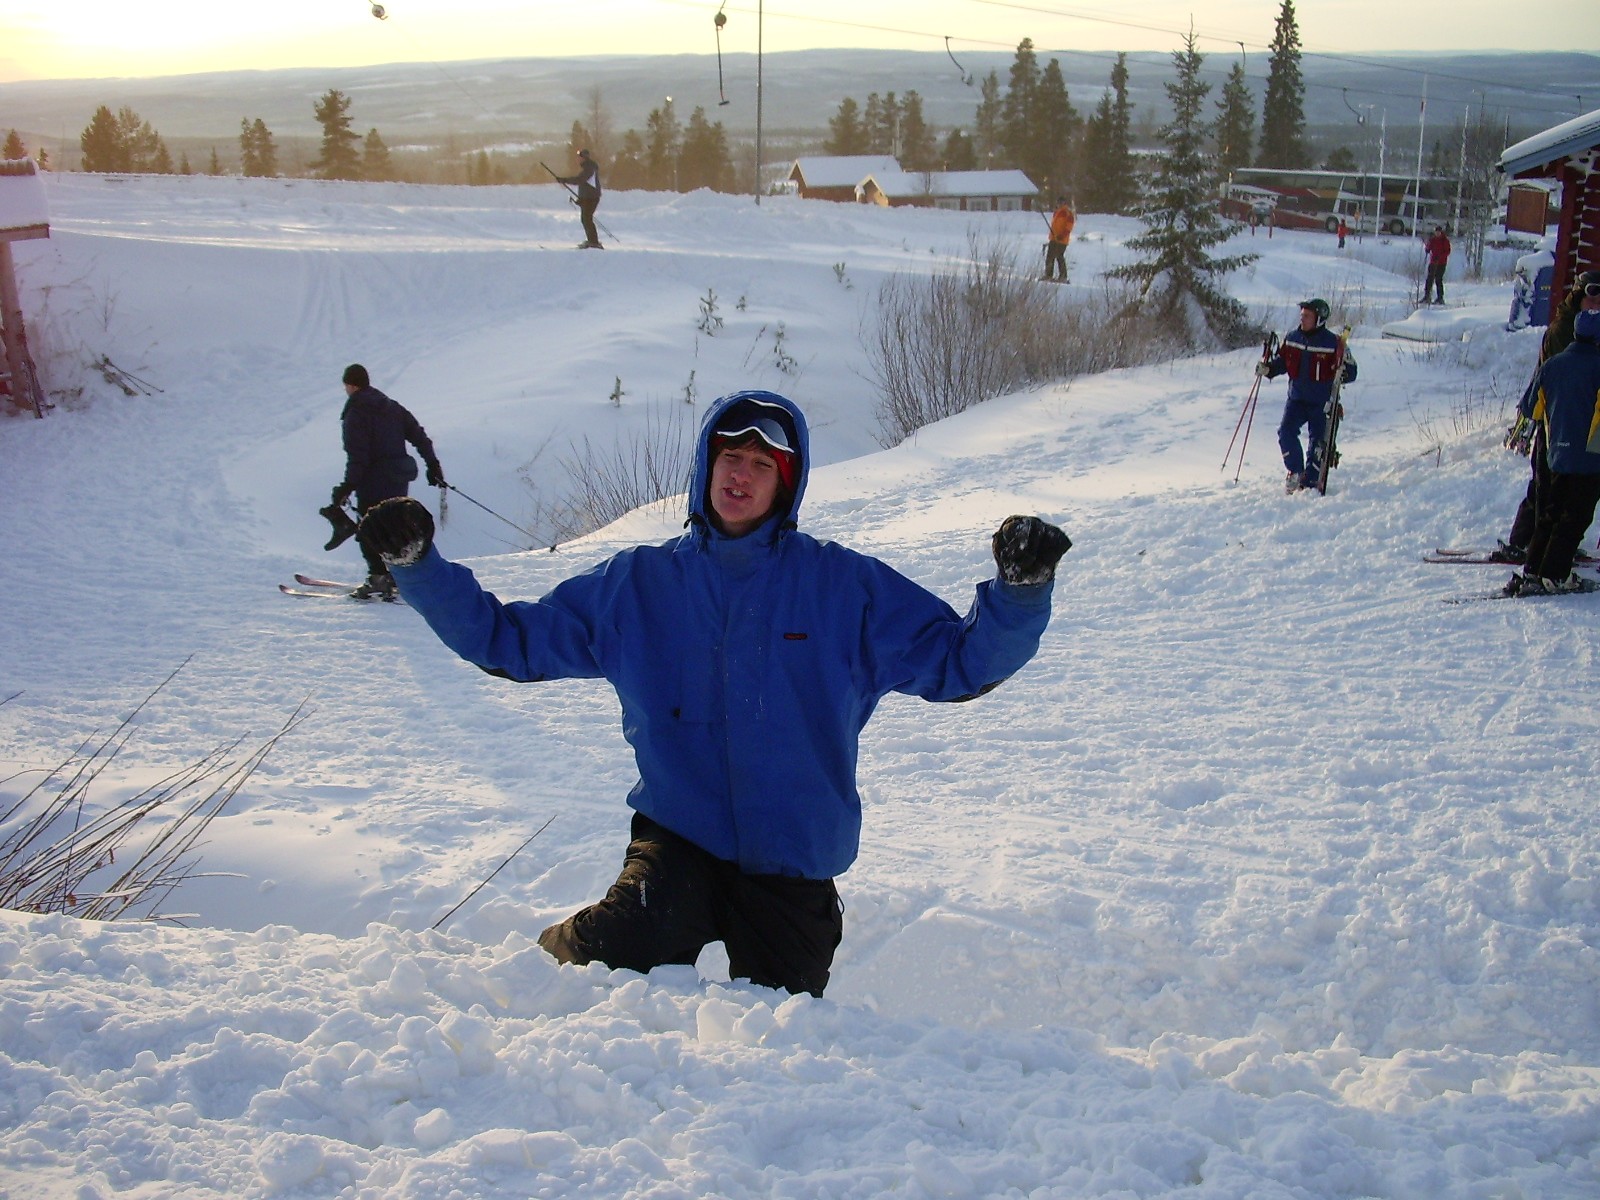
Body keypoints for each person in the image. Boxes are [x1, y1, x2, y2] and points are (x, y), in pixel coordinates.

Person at [355, 390, 1069, 996]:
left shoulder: (841, 587)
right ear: (706, 466)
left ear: (785, 484)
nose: (742, 474)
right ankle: (528, 977)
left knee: (781, 1022)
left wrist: (1020, 594)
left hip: (793, 857)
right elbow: (507, 642)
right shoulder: (638, 585)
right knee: (606, 956)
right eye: (732, 456)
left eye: (763, 464)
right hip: (679, 841)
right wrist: (420, 569)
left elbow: (959, 664)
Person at [1496, 270, 1600, 564]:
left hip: (1579, 423)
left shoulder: (1588, 328)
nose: (1595, 305)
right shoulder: (1565, 330)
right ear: (1578, 297)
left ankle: (1550, 546)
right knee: (1547, 488)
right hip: (1556, 422)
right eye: (1591, 299)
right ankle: (1527, 545)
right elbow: (1559, 379)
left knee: (1561, 491)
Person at [332, 363, 445, 600]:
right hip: (398, 478)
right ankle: (398, 575)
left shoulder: (356, 414)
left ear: (351, 385)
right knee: (395, 526)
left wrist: (347, 486)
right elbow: (419, 436)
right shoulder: (391, 407)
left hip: (373, 480)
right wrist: (432, 465)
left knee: (369, 528)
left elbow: (358, 457)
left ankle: (378, 577)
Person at [1257, 298, 1357, 493]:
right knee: (1285, 433)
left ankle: (1310, 483)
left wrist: (1343, 372)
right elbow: (1283, 362)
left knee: (1318, 445)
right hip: (1297, 400)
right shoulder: (1292, 338)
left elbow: (1352, 372)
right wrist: (1268, 369)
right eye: (1302, 315)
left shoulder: (1334, 343)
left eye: (1307, 316)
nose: (1302, 319)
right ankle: (1295, 472)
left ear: (1319, 319)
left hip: (1322, 403)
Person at [556, 148, 603, 249]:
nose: (577, 159)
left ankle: (594, 242)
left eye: (579, 157)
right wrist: (581, 199)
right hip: (589, 198)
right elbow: (585, 185)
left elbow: (579, 180)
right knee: (586, 219)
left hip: (591, 198)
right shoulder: (588, 167)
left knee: (586, 219)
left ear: (583, 158)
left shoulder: (589, 169)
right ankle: (592, 241)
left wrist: (564, 180)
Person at [1043, 196, 1075, 282]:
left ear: (1064, 203)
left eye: (1061, 202)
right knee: (1050, 257)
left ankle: (1063, 276)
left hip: (1062, 240)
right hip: (1053, 238)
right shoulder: (1057, 212)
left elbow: (1069, 227)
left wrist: (1062, 235)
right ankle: (1048, 275)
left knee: (1059, 256)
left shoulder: (1067, 213)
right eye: (1058, 202)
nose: (1059, 204)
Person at [1423, 225, 1452, 305]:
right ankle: (1427, 296)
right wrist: (1427, 249)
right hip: (1433, 262)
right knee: (1429, 279)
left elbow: (1447, 251)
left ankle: (1440, 298)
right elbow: (1429, 248)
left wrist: (1439, 257)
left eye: (1438, 232)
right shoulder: (1433, 239)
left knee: (1438, 280)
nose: (1437, 233)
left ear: (1441, 232)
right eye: (1436, 232)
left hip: (1441, 263)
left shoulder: (1444, 240)